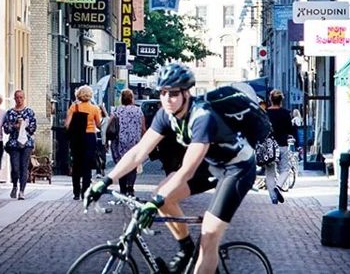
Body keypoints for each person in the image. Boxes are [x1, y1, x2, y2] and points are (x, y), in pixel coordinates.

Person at [85, 64, 256, 274]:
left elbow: (187, 170)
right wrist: (106, 181)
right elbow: (139, 152)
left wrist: (154, 204)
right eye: (163, 92)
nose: (167, 98)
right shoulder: (165, 114)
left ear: (186, 93)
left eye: (173, 93)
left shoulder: (203, 116)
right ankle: (186, 249)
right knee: (161, 194)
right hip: (211, 164)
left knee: (209, 234)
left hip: (236, 168)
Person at [65, 85, 102, 200]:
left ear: (79, 94)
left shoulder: (74, 107)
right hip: (90, 137)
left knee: (76, 164)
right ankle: (85, 191)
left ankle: (76, 192)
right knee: (87, 166)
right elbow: (99, 124)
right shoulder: (95, 108)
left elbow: (67, 124)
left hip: (77, 138)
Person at [107, 89, 146, 196]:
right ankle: (130, 187)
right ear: (132, 98)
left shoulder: (117, 110)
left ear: (121, 98)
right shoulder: (138, 111)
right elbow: (143, 128)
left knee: (121, 164)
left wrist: (107, 140)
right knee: (132, 165)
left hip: (119, 142)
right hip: (134, 142)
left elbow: (109, 126)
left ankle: (123, 188)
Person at [2, 90, 37, 200]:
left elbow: (33, 128)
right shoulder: (10, 113)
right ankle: (15, 186)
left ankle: (22, 191)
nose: (19, 100)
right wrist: (15, 126)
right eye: (17, 97)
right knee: (15, 167)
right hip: (14, 143)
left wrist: (24, 126)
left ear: (24, 98)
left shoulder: (29, 112)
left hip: (26, 143)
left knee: (24, 166)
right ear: (14, 98)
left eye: (21, 97)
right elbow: (6, 129)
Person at [264, 89, 294, 204]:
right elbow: (290, 129)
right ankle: (278, 186)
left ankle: (273, 198)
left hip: (269, 146)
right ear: (281, 100)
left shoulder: (265, 113)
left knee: (270, 172)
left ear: (270, 99)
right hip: (282, 145)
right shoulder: (286, 113)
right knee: (285, 169)